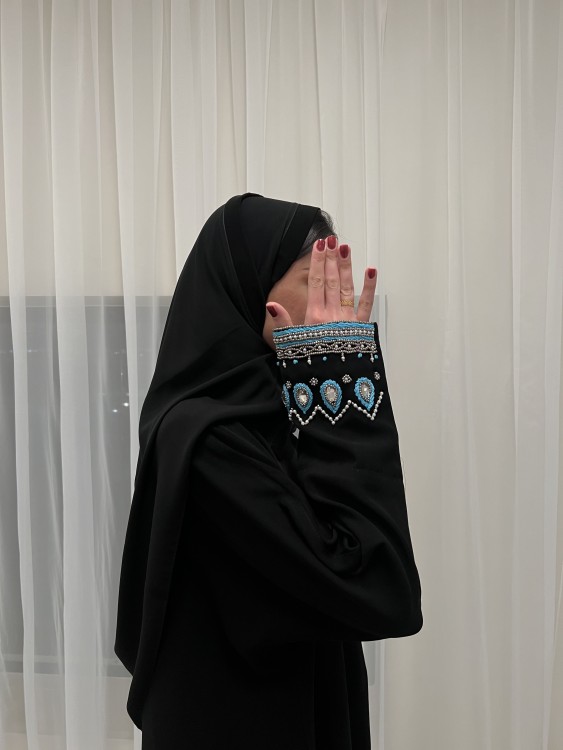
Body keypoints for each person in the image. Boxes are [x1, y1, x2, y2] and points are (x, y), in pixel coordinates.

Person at [114, 192, 423, 749]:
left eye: (339, 278)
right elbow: (378, 587)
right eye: (316, 278)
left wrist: (325, 376)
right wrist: (338, 371)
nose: (339, 297)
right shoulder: (207, 440)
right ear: (253, 290)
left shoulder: (271, 415)